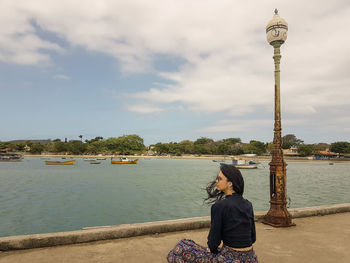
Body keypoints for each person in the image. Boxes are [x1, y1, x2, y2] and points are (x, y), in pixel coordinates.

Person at [167, 164, 258, 263]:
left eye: (219, 179)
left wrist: (213, 250)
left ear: (230, 184)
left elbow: (213, 242)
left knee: (180, 247)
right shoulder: (248, 204)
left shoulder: (219, 206)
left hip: (229, 259)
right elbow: (252, 238)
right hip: (251, 258)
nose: (216, 181)